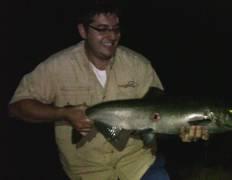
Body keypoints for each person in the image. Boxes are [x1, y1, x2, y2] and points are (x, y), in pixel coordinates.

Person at [8, 1, 208, 180]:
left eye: (116, 29)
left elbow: (158, 119)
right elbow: (17, 107)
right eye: (102, 29)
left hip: (138, 165)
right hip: (87, 171)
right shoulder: (56, 66)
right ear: (83, 31)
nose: (111, 36)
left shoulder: (139, 65)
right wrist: (63, 113)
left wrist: (180, 130)